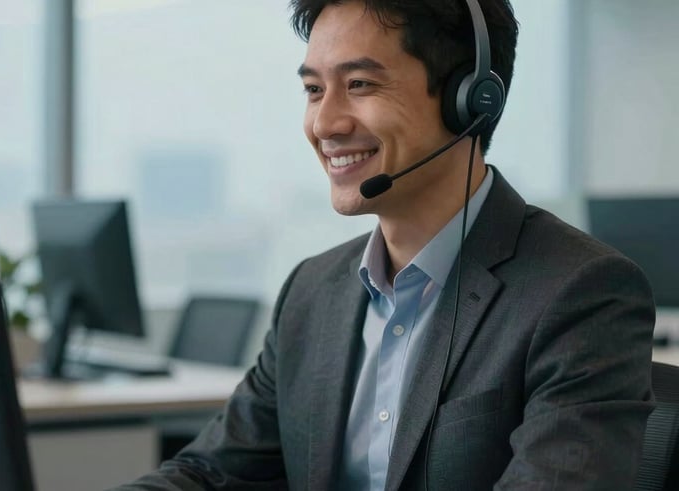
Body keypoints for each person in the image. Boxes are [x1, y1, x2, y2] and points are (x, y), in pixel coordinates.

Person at [112, 0, 655, 489]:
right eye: (313, 89)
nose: (324, 122)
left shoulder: (581, 293)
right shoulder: (312, 291)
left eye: (361, 85)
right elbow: (209, 472)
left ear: (470, 99)